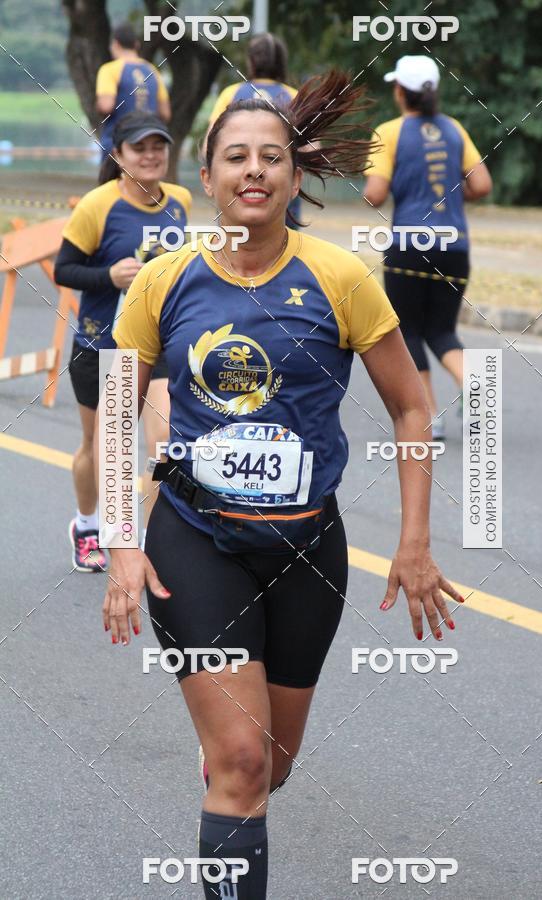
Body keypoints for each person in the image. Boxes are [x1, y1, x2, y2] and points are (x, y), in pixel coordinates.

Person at [105, 71, 465, 899]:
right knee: (238, 764)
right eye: (236, 157)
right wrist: (122, 537)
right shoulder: (166, 282)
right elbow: (113, 413)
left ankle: (232, 752)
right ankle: (225, 756)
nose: (254, 170)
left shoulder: (340, 279)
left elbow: (413, 409)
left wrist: (414, 543)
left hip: (308, 548)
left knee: (269, 767)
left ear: (295, 178)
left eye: (272, 157)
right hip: (196, 540)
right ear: (209, 178)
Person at [54, 112, 191, 572]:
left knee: (166, 443)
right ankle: (87, 525)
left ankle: (149, 541)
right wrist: (108, 276)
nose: (151, 156)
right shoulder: (98, 205)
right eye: (139, 148)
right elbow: (64, 269)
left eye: (159, 147)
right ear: (117, 156)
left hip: (160, 346)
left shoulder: (181, 202)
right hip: (103, 346)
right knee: (101, 451)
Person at [364, 56, 492, 440]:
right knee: (441, 330)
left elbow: (374, 194)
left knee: (408, 331)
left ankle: (429, 415)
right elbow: (482, 184)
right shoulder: (454, 129)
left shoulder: (389, 132)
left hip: (409, 246)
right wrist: (447, 199)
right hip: (455, 246)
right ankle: (478, 388)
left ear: (400, 91)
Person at [206, 31, 303, 227]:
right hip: (282, 200)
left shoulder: (231, 93)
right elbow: (312, 149)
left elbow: (208, 145)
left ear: (251, 61)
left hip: (239, 198)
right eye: (237, 156)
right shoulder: (293, 96)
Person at [95, 22, 171, 161]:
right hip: (148, 144)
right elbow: (165, 113)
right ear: (136, 45)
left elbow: (106, 106)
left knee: (113, 183)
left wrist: (98, 105)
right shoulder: (152, 70)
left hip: (117, 144)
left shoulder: (109, 69)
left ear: (115, 44)